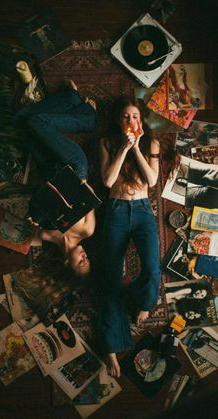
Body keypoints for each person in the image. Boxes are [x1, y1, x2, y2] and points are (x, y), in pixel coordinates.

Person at [98, 95, 178, 377]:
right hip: (117, 209)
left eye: (134, 117)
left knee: (153, 269)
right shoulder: (107, 143)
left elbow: (152, 180)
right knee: (109, 277)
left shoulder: (151, 143)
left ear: (141, 121)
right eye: (125, 117)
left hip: (143, 209)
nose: (130, 122)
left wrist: (136, 150)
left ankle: (143, 302)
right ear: (118, 121)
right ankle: (111, 349)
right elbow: (108, 181)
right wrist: (123, 148)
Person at [14, 80, 97, 276]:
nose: (85, 257)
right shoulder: (87, 230)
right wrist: (80, 187)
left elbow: (37, 203)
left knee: (20, 121)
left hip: (48, 170)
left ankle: (73, 101)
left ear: (68, 263)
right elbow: (90, 192)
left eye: (81, 263)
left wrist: (31, 220)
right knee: (37, 122)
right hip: (74, 167)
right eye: (88, 260)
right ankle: (87, 118)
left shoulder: (45, 234)